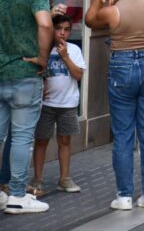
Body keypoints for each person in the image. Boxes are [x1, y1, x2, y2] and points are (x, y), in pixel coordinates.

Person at [84, 0, 144, 211]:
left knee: (123, 135)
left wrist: (98, 0)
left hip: (121, 66)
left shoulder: (112, 11)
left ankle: (124, 196)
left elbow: (89, 21)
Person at [0, 0, 53, 214]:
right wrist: (43, 58)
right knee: (21, 137)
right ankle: (18, 196)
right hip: (24, 73)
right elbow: (44, 24)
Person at [29, 13, 86, 196]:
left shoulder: (74, 50)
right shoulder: (43, 48)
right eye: (59, 29)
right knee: (41, 141)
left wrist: (66, 57)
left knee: (65, 140)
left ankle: (64, 178)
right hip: (46, 104)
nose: (62, 33)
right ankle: (37, 179)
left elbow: (78, 75)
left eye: (67, 30)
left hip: (68, 103)